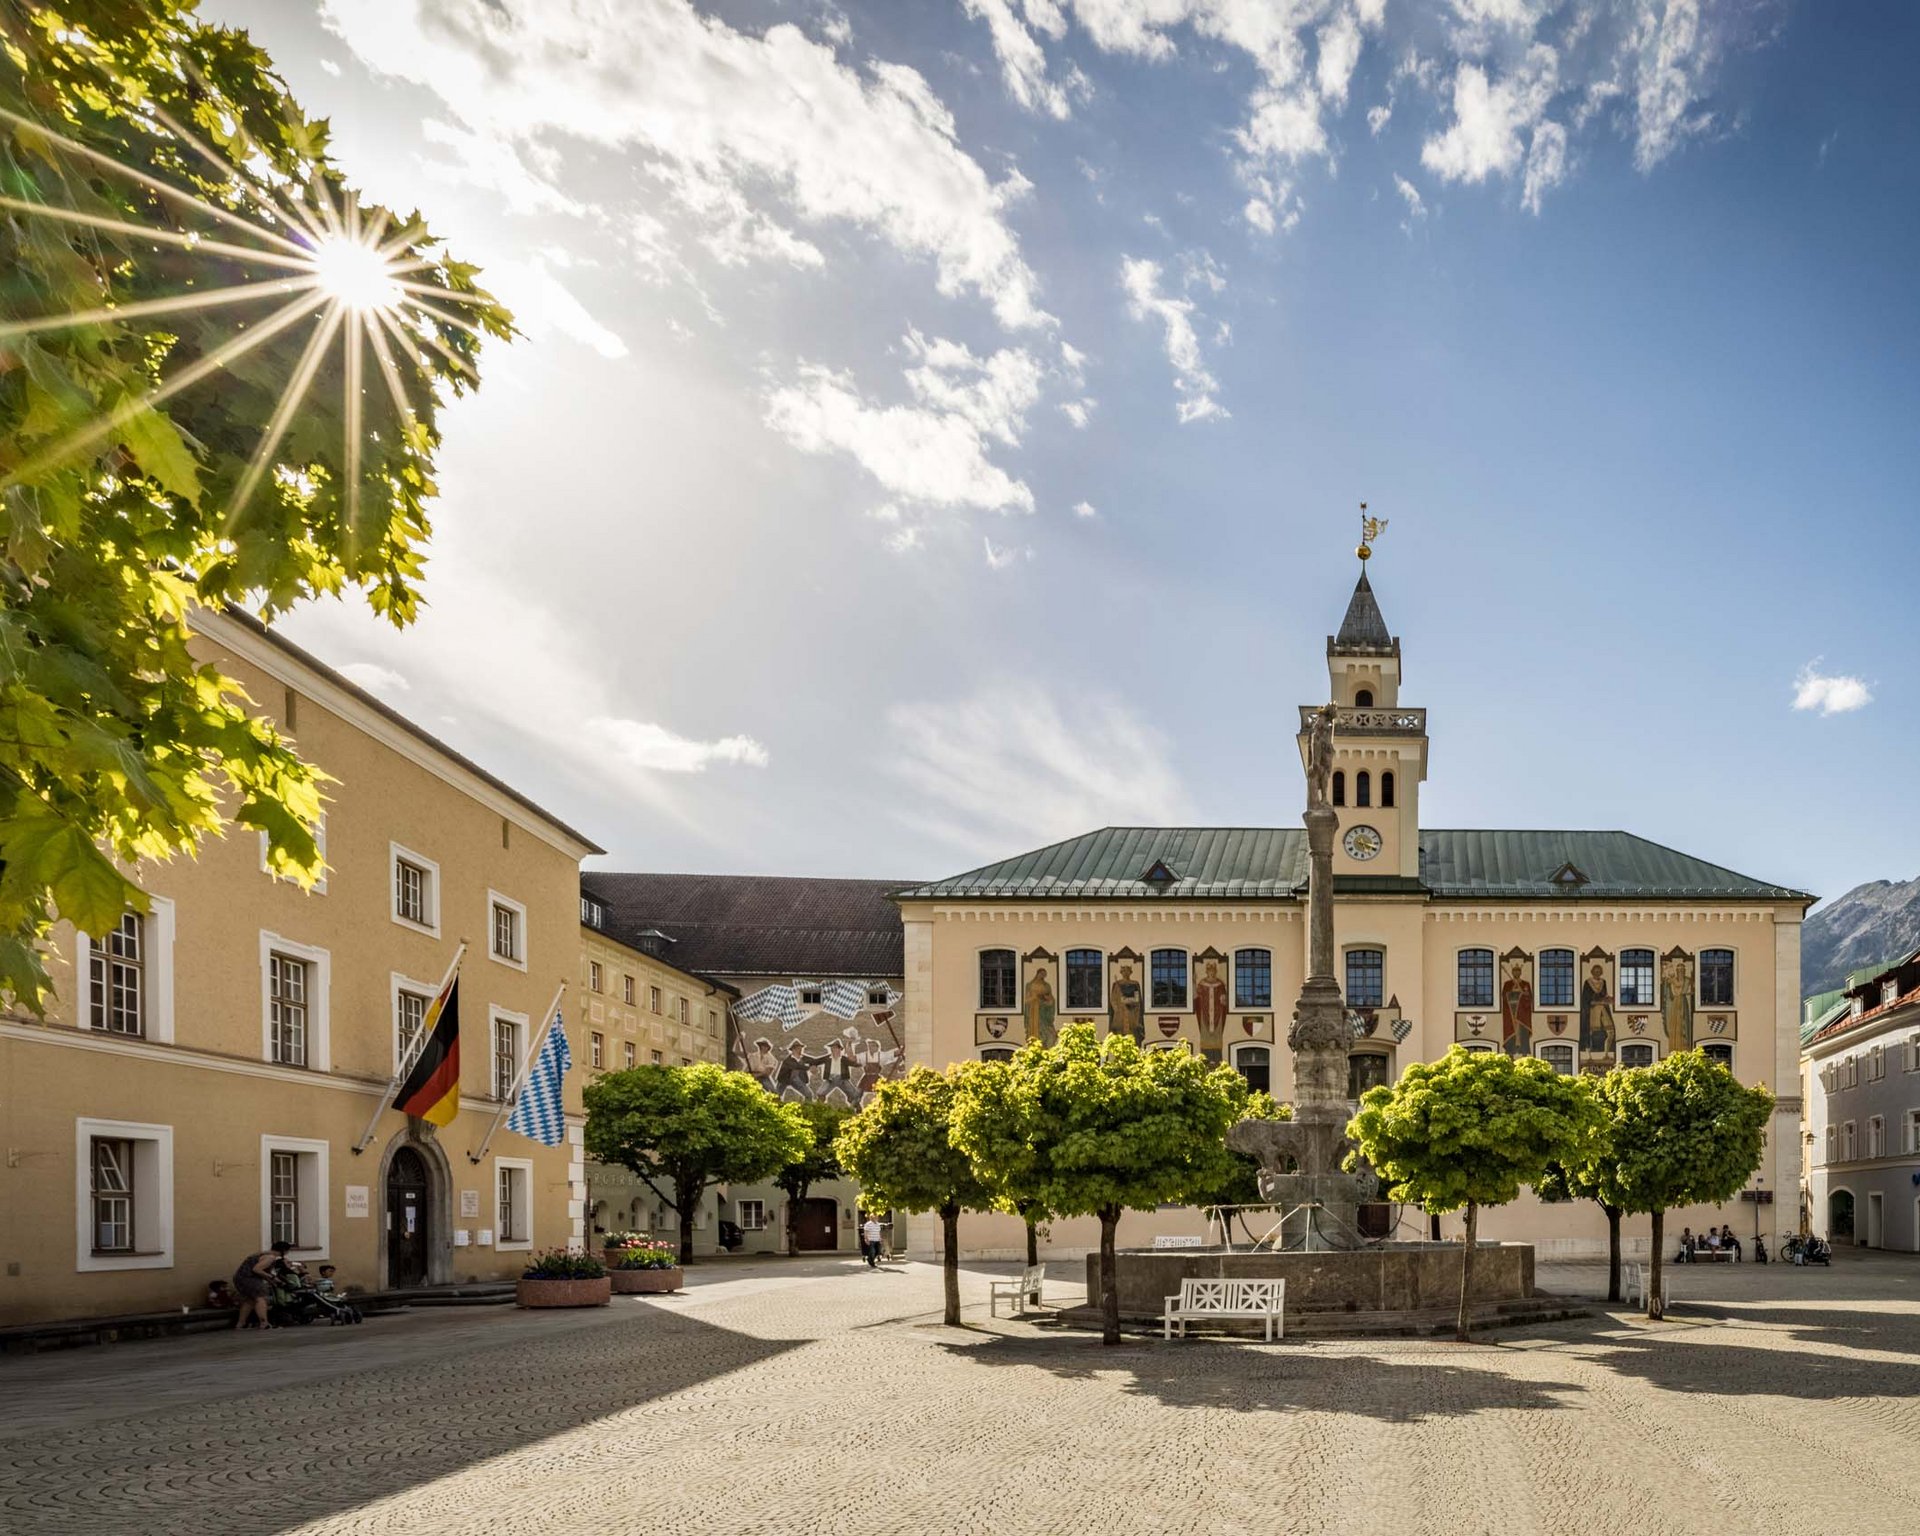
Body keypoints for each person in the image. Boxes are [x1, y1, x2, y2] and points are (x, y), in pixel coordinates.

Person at [232, 1240, 292, 1330]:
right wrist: (271, 1278)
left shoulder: (262, 1254)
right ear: (283, 1250)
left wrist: (275, 1281)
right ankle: (264, 1323)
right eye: (288, 1251)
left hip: (240, 1278)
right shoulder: (270, 1257)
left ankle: (241, 1324)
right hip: (249, 1278)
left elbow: (264, 1272)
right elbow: (257, 1269)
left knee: (250, 1300)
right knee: (261, 1298)